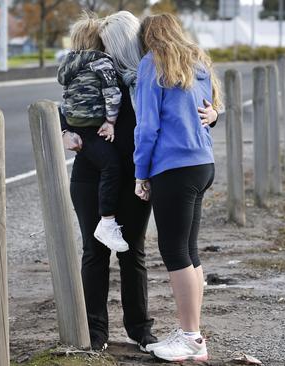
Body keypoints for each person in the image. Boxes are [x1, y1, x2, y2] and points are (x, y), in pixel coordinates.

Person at [60, 11, 220, 353]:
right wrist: (66, 130)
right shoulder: (99, 74)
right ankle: (95, 332)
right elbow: (69, 105)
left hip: (137, 176)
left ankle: (140, 331)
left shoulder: (149, 73)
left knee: (133, 252)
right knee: (95, 251)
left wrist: (216, 114)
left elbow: (192, 103)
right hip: (93, 177)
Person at [132, 14, 223, 362]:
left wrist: (141, 172)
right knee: (189, 250)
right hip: (203, 165)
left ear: (147, 37)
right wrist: (214, 115)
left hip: (174, 167)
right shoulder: (196, 59)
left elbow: (147, 127)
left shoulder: (152, 62)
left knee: (175, 251)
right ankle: (194, 337)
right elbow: (212, 109)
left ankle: (190, 336)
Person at [57, 14, 128, 252]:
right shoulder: (103, 62)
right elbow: (112, 94)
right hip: (93, 127)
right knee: (111, 166)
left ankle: (106, 222)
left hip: (76, 123)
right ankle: (107, 220)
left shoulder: (68, 64)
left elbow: (64, 98)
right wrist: (110, 120)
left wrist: (67, 127)